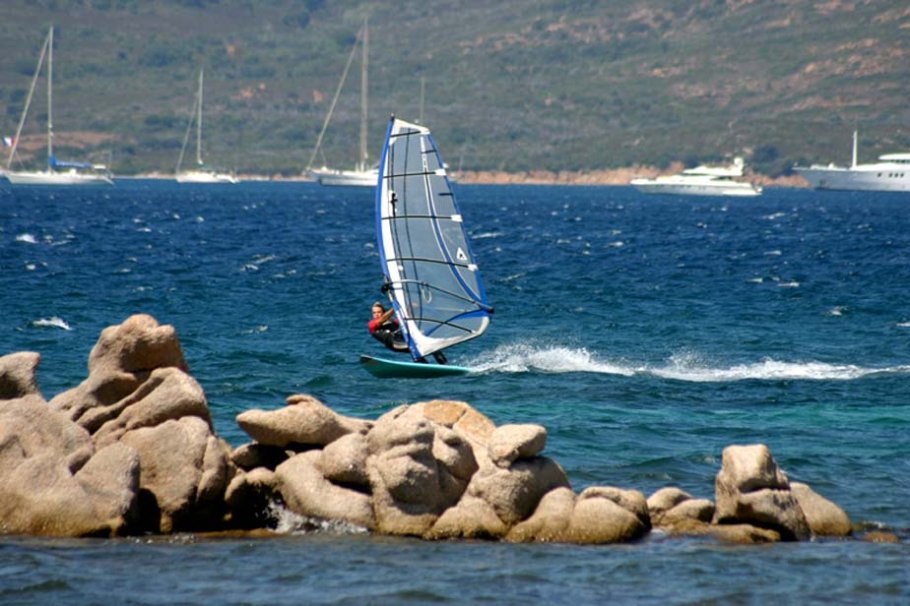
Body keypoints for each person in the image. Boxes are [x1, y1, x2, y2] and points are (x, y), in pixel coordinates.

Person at [367, 301, 448, 364]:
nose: (376, 314)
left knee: (431, 345)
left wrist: (411, 308)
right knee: (414, 348)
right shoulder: (372, 325)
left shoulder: (392, 322)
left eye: (379, 312)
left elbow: (403, 319)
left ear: (383, 312)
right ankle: (424, 365)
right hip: (395, 344)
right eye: (374, 313)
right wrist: (395, 307)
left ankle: (444, 365)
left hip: (403, 340)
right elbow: (381, 320)